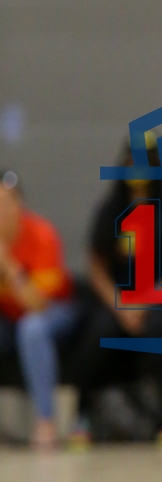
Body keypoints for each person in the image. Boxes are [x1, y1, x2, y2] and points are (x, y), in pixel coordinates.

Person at [71, 137, 162, 438]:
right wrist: (120, 303)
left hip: (161, 301)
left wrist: (146, 301)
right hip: (118, 302)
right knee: (98, 332)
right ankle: (84, 415)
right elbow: (96, 267)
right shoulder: (111, 210)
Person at [0, 169, 80, 448]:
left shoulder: (41, 235)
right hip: (7, 316)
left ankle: (46, 420)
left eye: (5, 203)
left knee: (31, 329)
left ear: (18, 205)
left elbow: (37, 305)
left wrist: (8, 267)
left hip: (53, 310)